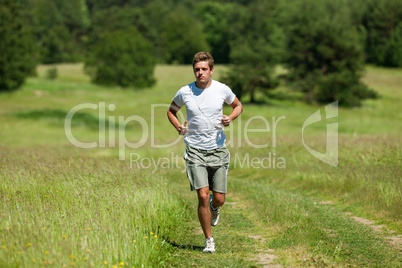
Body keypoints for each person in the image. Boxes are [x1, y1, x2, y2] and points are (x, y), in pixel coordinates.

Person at [167, 52, 243, 253]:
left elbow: (238, 105)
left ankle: (215, 207)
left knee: (219, 198)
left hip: (218, 150)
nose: (200, 73)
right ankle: (209, 240)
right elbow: (171, 111)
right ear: (194, 71)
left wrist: (231, 118)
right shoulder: (185, 92)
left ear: (211, 70)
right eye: (197, 70)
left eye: (204, 69)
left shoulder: (221, 89)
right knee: (202, 194)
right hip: (194, 150)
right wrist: (178, 127)